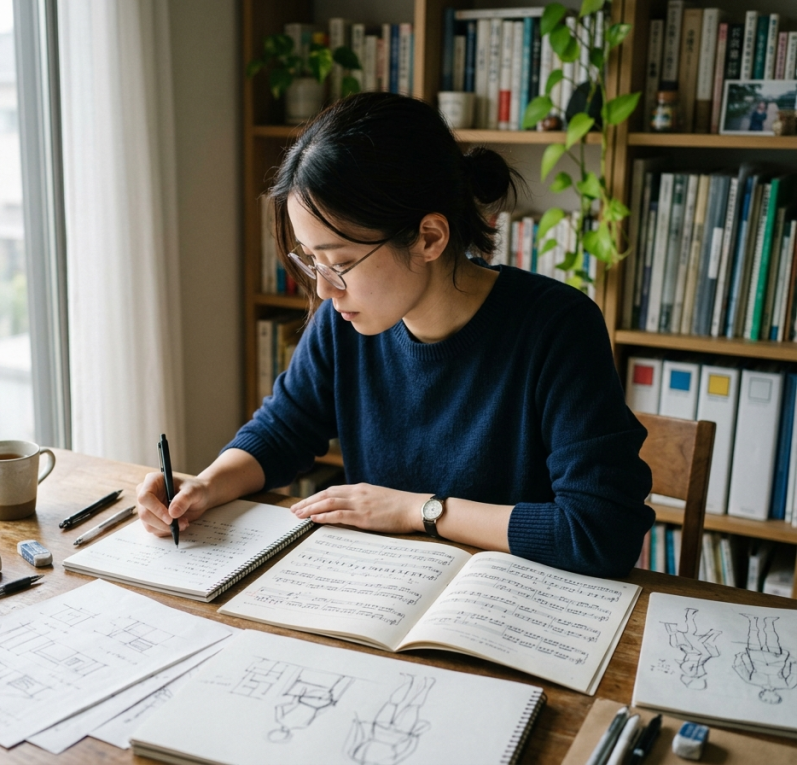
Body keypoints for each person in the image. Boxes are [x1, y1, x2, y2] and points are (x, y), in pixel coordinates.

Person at [136, 92, 653, 578]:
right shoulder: (345, 320)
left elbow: (601, 531)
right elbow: (282, 431)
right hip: (386, 588)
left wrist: (416, 511)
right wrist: (207, 485)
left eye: (339, 262)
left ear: (429, 237)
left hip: (513, 598)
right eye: (312, 260)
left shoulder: (557, 328)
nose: (324, 289)